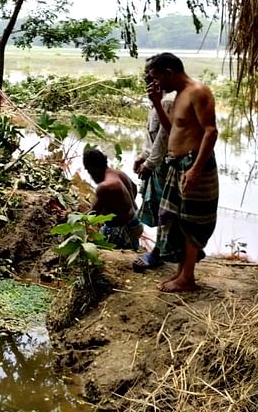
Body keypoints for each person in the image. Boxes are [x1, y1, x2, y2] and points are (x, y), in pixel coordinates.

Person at [145, 52, 218, 292]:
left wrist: (196, 168)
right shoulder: (176, 96)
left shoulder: (198, 91)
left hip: (193, 164)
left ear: (169, 72)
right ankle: (181, 273)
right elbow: (172, 130)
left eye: (157, 78)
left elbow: (210, 131)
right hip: (176, 165)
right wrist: (157, 103)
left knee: (192, 221)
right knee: (173, 218)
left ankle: (188, 278)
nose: (155, 83)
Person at [132, 81, 177, 272]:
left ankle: (160, 252)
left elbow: (164, 138)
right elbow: (151, 135)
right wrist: (142, 156)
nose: (147, 83)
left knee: (165, 211)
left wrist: (149, 163)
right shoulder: (158, 101)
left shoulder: (167, 102)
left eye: (151, 78)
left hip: (163, 166)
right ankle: (164, 250)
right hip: (156, 164)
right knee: (161, 210)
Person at [82, 148, 143, 250]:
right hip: (135, 222)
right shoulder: (119, 174)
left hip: (123, 229)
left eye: (88, 171)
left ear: (93, 168)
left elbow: (92, 213)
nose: (90, 174)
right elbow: (134, 188)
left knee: (102, 251)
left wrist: (70, 216)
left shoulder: (105, 186)